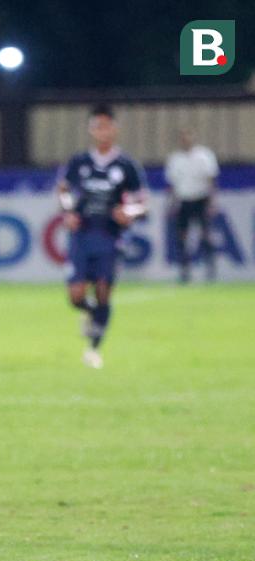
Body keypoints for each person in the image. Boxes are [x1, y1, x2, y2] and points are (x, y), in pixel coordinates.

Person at [55, 105, 148, 369]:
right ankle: (90, 312)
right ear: (91, 130)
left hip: (110, 236)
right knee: (75, 295)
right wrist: (67, 210)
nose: (102, 131)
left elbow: (143, 202)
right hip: (82, 235)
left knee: (104, 290)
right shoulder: (80, 162)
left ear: (114, 129)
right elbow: (63, 190)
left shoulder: (126, 165)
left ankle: (94, 349)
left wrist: (129, 211)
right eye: (97, 126)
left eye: (107, 126)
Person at [165, 128, 219, 283]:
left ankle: (210, 268)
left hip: (200, 199)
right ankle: (184, 270)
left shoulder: (204, 156)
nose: (186, 140)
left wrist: (212, 201)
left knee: (205, 234)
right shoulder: (175, 159)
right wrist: (171, 203)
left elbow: (211, 180)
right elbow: (173, 185)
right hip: (184, 200)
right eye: (183, 138)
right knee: (182, 236)